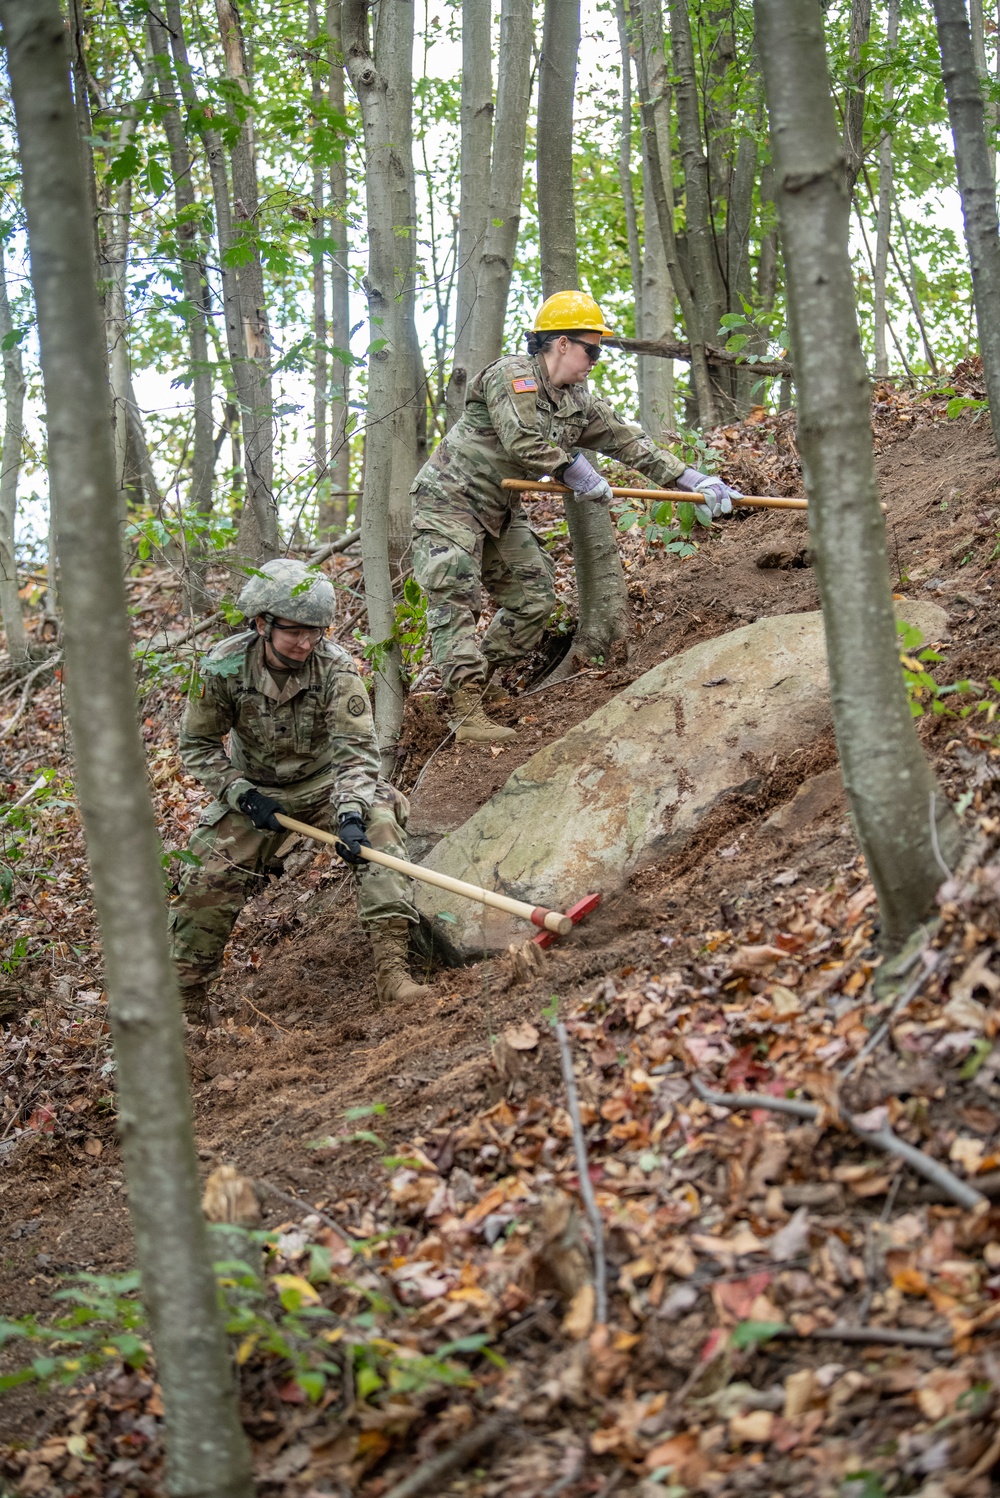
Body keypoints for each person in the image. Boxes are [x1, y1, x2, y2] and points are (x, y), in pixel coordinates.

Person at [410, 290, 740, 743]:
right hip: (448, 500)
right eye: (592, 348)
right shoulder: (512, 376)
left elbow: (628, 442)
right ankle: (466, 713)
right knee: (455, 594)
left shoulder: (577, 401)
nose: (596, 360)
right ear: (561, 343)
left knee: (535, 597)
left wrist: (691, 479)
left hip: (500, 511)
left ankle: (479, 684)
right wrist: (573, 468)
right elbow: (521, 438)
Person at [167, 559, 430, 1024]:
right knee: (206, 878)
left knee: (380, 831)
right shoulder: (222, 667)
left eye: (317, 632)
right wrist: (240, 794)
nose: (307, 643)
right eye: (295, 632)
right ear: (262, 623)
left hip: (329, 784)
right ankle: (185, 1004)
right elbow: (197, 745)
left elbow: (357, 752)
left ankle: (393, 972)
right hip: (254, 794)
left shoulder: (335, 667)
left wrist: (350, 813)